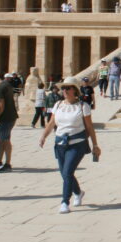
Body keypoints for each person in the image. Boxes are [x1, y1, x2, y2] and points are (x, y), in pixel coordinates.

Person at [38, 77, 100, 214]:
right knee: (65, 174)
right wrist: (43, 136)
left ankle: (65, 202)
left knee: (67, 172)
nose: (64, 90)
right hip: (60, 143)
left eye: (67, 88)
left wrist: (95, 145)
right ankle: (78, 192)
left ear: (74, 90)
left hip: (77, 144)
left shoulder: (83, 106)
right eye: (63, 88)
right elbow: (52, 122)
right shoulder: (58, 104)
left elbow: (89, 126)